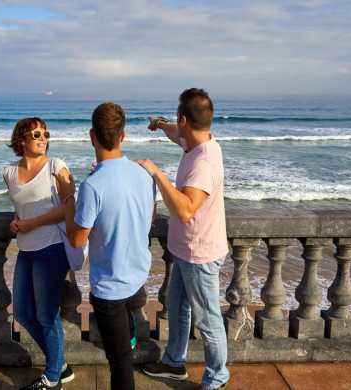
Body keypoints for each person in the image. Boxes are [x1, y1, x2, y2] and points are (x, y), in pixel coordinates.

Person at [54, 102, 156, 390]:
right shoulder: (143, 174)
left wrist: (67, 198)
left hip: (110, 286)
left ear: (91, 136)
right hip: (137, 276)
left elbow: (77, 239)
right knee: (126, 345)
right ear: (122, 136)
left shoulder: (93, 186)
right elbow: (144, 220)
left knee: (120, 361)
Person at [138, 88, 230, 390]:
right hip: (186, 250)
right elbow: (176, 133)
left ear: (185, 119)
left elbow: (186, 209)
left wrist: (156, 173)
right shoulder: (197, 139)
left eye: (178, 121)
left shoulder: (203, 162)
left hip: (200, 253)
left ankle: (217, 378)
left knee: (208, 319)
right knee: (177, 306)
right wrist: (161, 123)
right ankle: (174, 363)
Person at [2, 118, 75, 390]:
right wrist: (15, 219)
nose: (43, 137)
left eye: (45, 133)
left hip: (52, 248)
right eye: (36, 133)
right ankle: (60, 364)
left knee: (47, 315)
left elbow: (71, 207)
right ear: (21, 139)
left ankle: (53, 378)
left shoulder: (57, 167)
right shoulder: (9, 173)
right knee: (22, 312)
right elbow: (22, 205)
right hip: (26, 249)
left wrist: (31, 224)